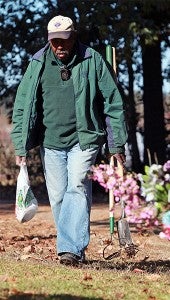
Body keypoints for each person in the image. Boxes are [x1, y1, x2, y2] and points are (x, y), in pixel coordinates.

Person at [11, 15, 127, 266]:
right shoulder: (38, 63)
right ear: (48, 40)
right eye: (54, 42)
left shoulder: (92, 60)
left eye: (64, 40)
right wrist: (20, 145)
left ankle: (69, 250)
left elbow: (113, 103)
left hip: (84, 139)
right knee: (59, 197)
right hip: (50, 142)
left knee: (77, 188)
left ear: (74, 36)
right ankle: (74, 249)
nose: (59, 46)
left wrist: (116, 142)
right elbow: (22, 106)